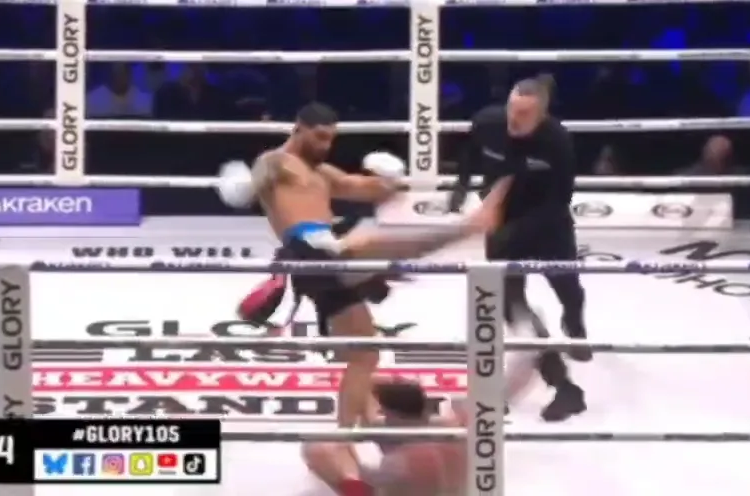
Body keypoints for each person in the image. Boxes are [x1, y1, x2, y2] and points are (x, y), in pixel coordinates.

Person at [215, 102, 514, 495]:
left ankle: (344, 437)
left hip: (325, 257)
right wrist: (244, 184)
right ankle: (469, 227)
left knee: (364, 354)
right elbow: (257, 179)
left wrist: (390, 179)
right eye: (318, 137)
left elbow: (362, 188)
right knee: (366, 244)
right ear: (299, 129)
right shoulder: (276, 162)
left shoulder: (322, 173)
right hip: (308, 250)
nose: (325, 146)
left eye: (330, 139)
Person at [449, 75, 587, 422]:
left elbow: (559, 200)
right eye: (512, 108)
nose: (514, 118)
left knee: (567, 288)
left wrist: (513, 229)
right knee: (511, 306)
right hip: (502, 224)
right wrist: (461, 185)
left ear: (541, 114)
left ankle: (574, 322)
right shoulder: (488, 122)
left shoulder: (557, 141)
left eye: (524, 114)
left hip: (548, 226)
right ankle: (563, 386)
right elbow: (469, 152)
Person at [301, 378, 471, 496]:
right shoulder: (448, 432)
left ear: (387, 413)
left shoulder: (399, 462)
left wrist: (348, 472)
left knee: (319, 451)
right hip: (449, 484)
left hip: (402, 483)